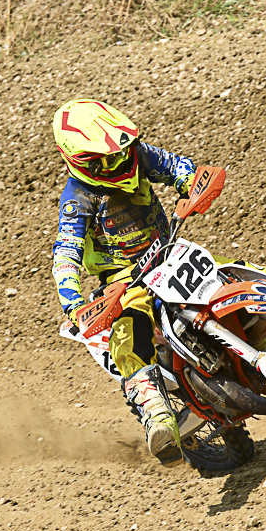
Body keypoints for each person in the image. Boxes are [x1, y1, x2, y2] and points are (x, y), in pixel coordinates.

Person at [50, 99, 194, 456]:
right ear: (83, 161)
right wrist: (73, 303)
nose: (118, 161)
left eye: (120, 152)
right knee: (129, 330)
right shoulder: (78, 198)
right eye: (107, 158)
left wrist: (191, 182)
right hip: (124, 277)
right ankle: (157, 415)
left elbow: (175, 165)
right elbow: (65, 254)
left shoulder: (137, 155)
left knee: (227, 273)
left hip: (168, 251)